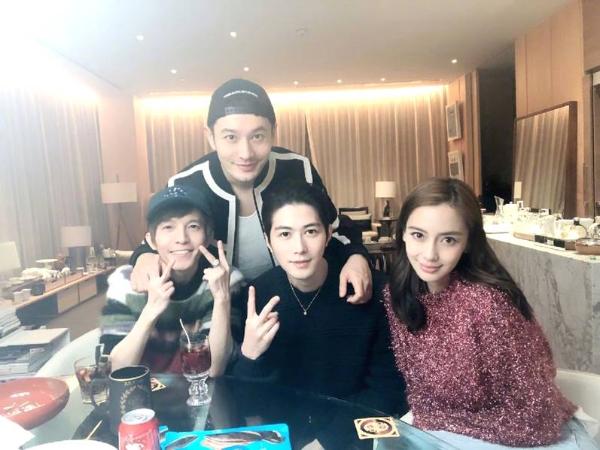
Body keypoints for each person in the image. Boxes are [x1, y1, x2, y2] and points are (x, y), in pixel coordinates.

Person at [384, 177, 598, 449]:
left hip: (524, 436)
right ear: (402, 232)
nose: (430, 254)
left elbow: (535, 413)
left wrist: (442, 421)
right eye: (418, 235)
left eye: (448, 239)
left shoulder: (487, 305)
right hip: (445, 429)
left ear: (467, 243)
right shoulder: (399, 294)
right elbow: (422, 397)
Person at [130, 78, 372, 303]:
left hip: (293, 301)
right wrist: (143, 257)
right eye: (230, 137)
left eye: (257, 136)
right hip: (218, 307)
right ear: (211, 137)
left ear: (273, 132)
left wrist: (357, 256)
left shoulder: (297, 169)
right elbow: (156, 239)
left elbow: (336, 229)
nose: (245, 153)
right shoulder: (187, 182)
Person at [232, 182, 407, 449]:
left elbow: (387, 391)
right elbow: (248, 403)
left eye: (311, 231)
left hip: (353, 437)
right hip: (284, 437)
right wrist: (249, 356)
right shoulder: (258, 295)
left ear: (328, 235)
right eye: (284, 234)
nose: (299, 247)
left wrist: (325, 442)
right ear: (268, 241)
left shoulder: (371, 292)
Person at [100, 185, 244, 376]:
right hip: (141, 390)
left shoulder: (226, 280)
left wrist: (222, 299)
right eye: (168, 227)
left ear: (208, 236)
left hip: (202, 390)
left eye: (193, 226)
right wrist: (151, 311)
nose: (182, 239)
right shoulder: (125, 283)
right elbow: (115, 370)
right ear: (151, 240)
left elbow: (215, 369)